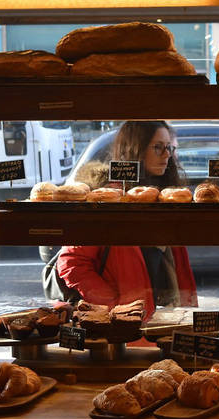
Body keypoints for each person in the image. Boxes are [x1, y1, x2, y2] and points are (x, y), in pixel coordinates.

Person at [56, 121, 198, 318]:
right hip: (125, 328)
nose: (167, 155)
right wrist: (114, 304)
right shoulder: (109, 200)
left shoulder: (167, 198)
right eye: (158, 147)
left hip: (165, 321)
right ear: (135, 149)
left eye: (169, 147)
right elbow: (71, 262)